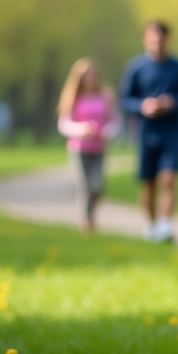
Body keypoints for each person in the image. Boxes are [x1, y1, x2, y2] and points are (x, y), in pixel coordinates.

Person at [119, 22, 178, 242]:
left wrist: (174, 102)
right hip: (145, 132)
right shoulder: (136, 67)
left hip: (172, 131)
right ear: (145, 40)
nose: (157, 44)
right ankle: (151, 226)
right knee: (149, 182)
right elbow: (125, 99)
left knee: (170, 179)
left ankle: (165, 226)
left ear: (167, 40)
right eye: (152, 40)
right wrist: (143, 106)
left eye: (161, 40)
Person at [58, 59, 120, 234]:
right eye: (87, 75)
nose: (91, 78)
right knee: (85, 186)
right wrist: (80, 129)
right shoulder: (73, 97)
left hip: (99, 148)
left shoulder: (106, 95)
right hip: (79, 148)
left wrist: (107, 132)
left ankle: (90, 214)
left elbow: (115, 121)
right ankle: (86, 221)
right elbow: (63, 123)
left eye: (94, 74)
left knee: (98, 186)